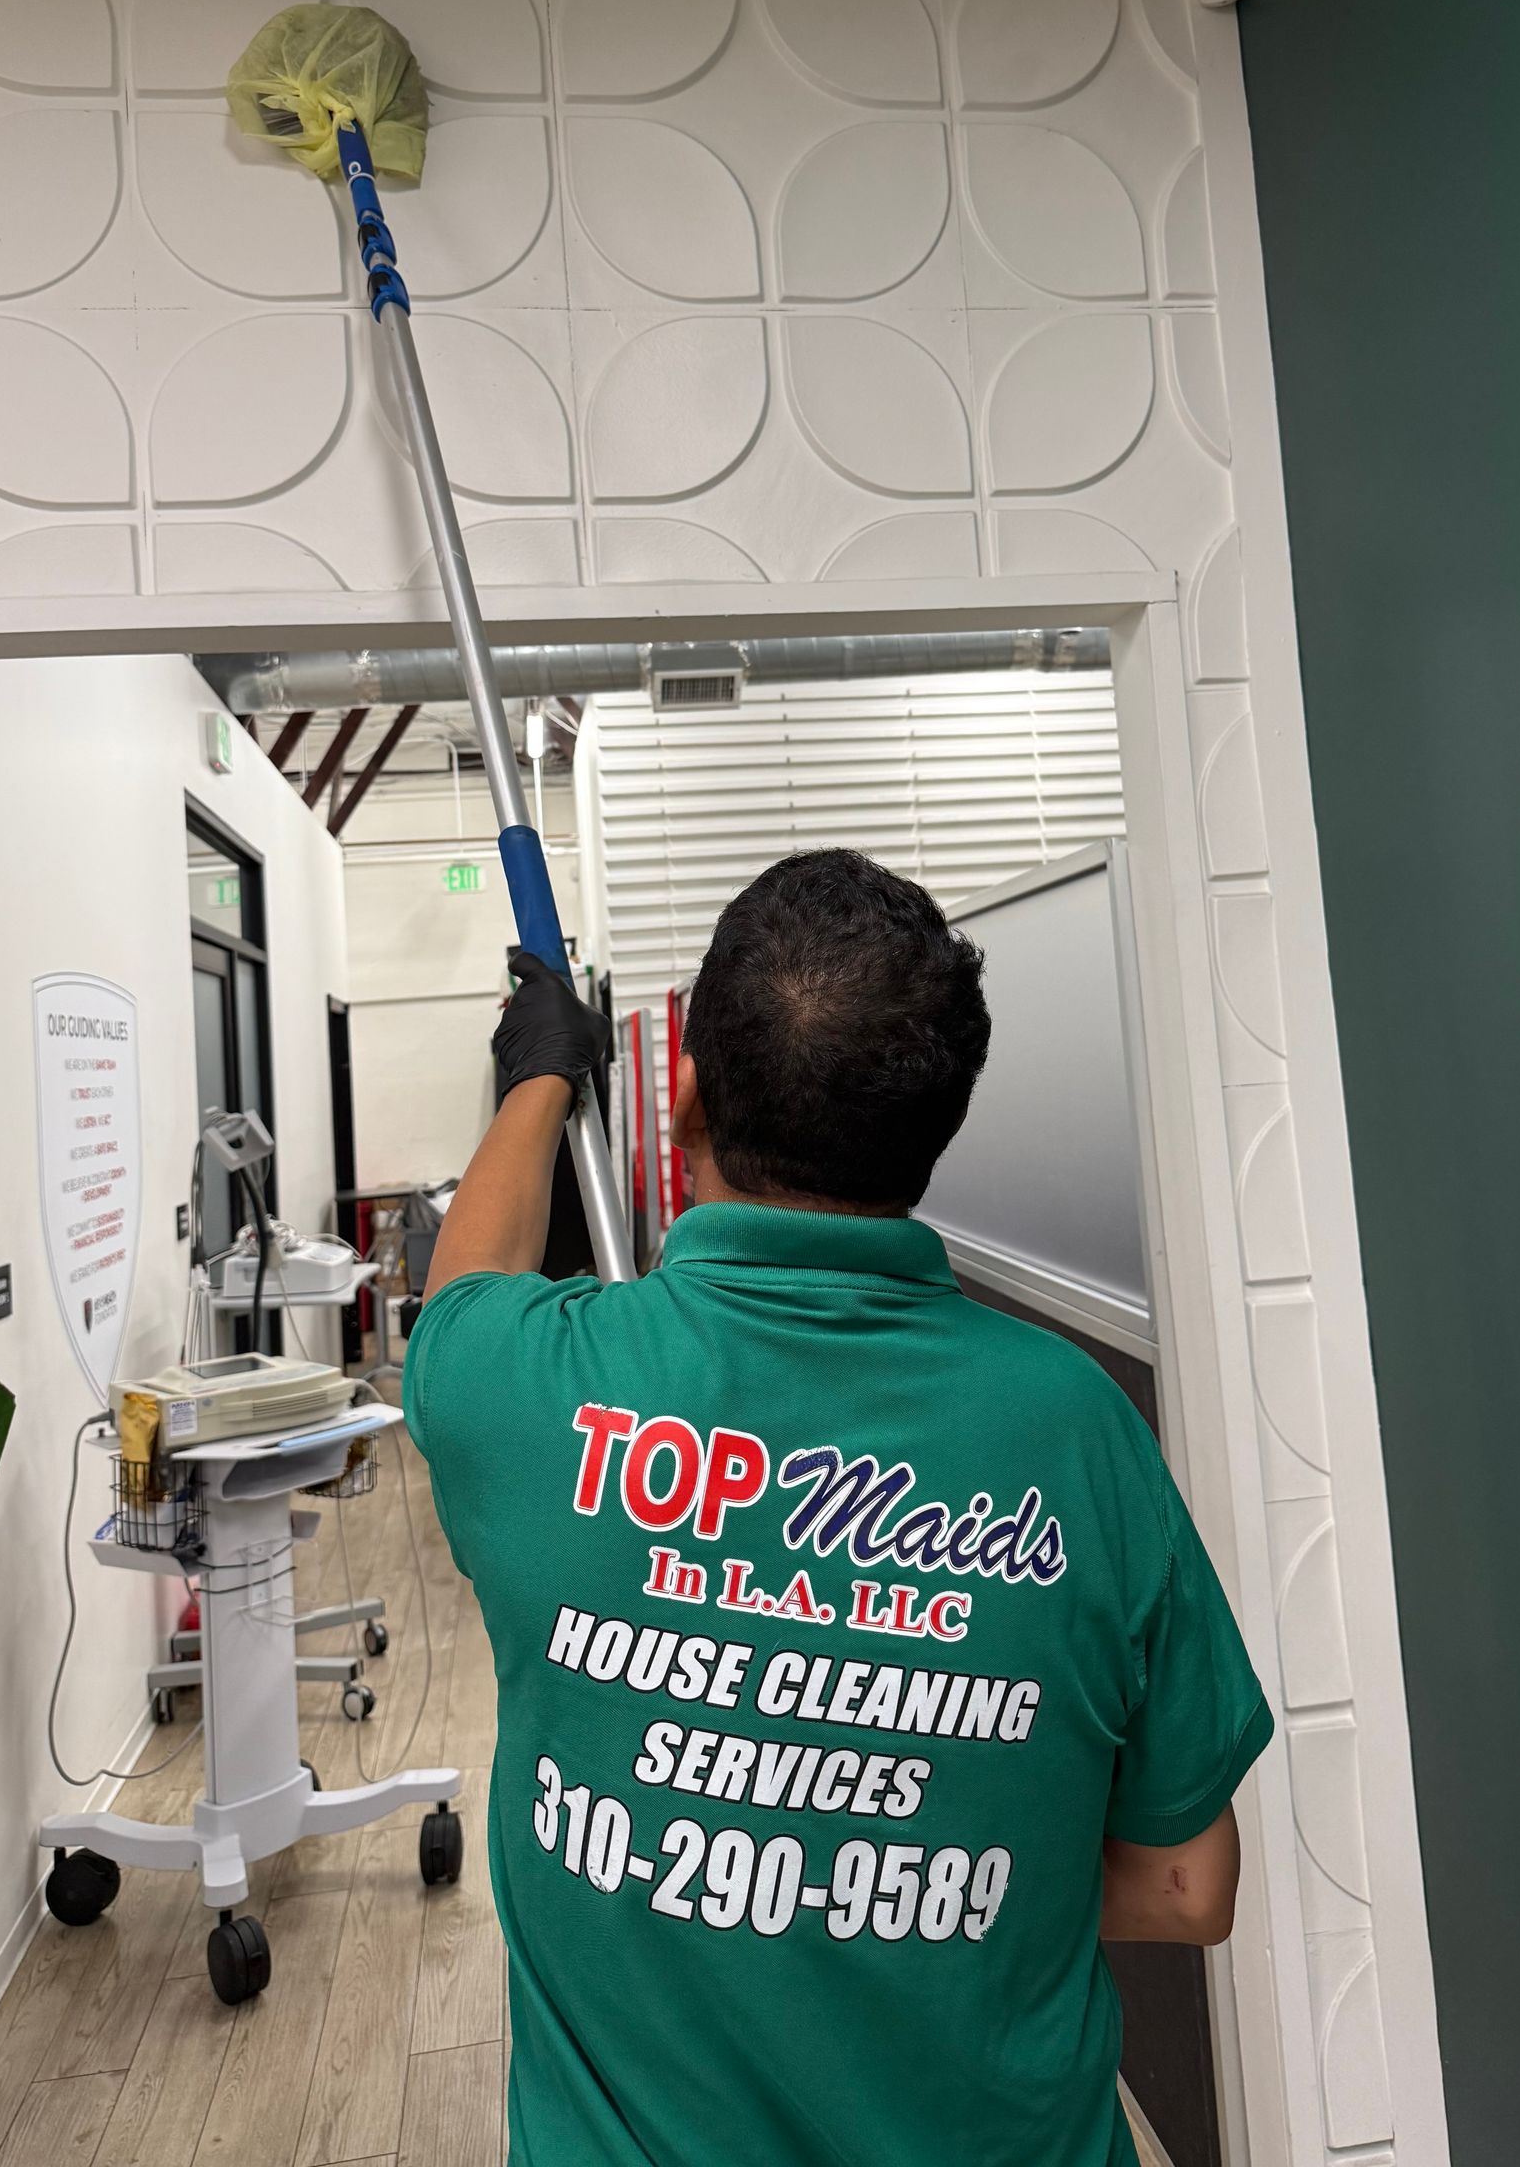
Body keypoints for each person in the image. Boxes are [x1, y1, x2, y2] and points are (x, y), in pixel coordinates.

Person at [405, 848, 1272, 2167]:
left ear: (684, 1094)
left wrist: (537, 1077)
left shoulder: (529, 1392)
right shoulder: (1079, 1431)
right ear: (937, 1122)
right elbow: (1186, 1883)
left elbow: (464, 1288)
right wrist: (914, 1872)